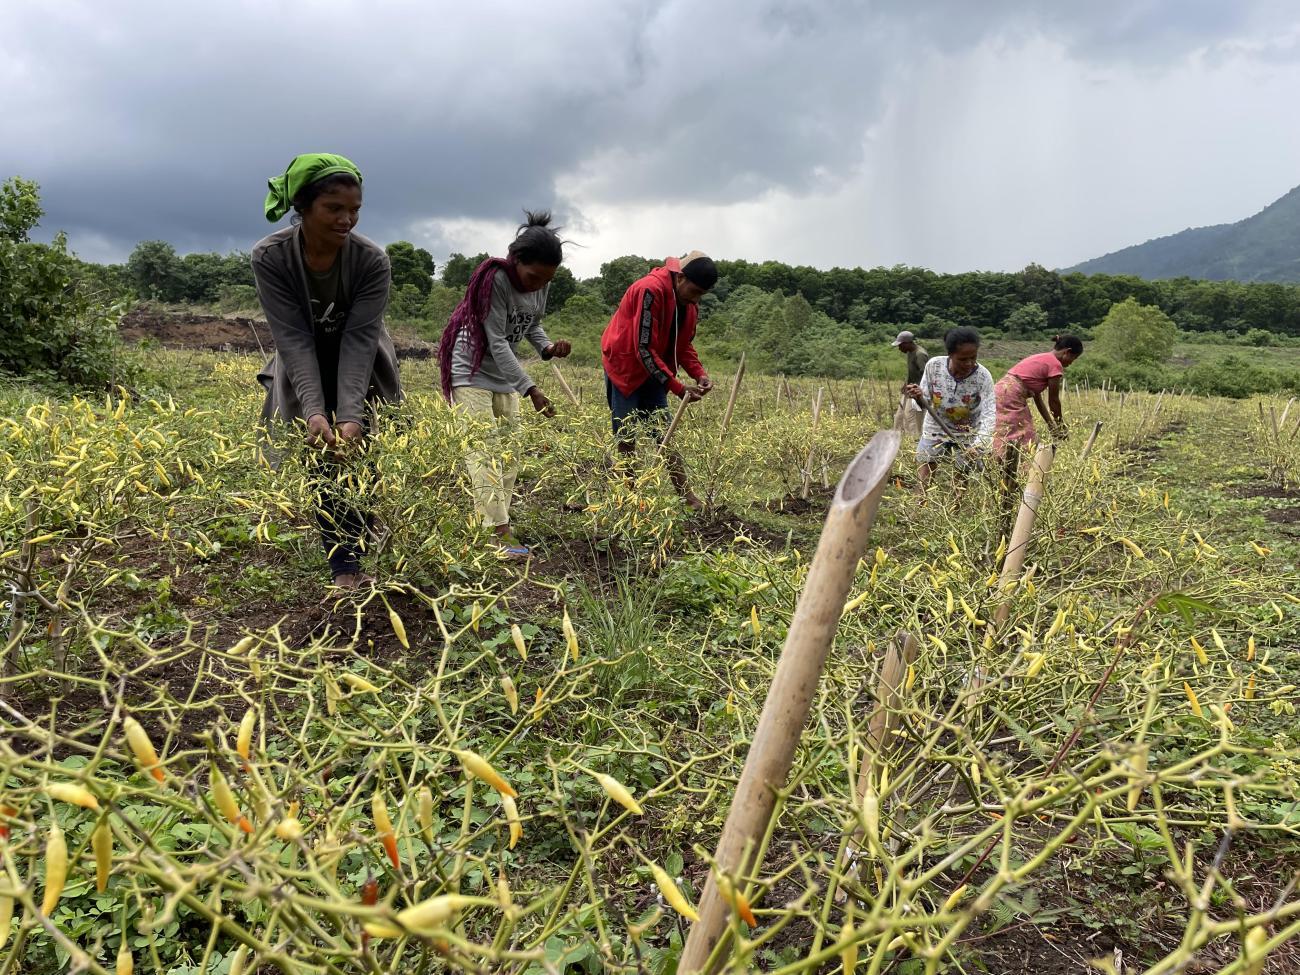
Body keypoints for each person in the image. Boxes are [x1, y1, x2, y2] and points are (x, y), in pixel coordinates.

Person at [253, 153, 401, 592]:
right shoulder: (271, 257)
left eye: (354, 209)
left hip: (362, 359)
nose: (347, 219)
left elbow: (359, 340)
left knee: (362, 452)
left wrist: (351, 414)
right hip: (303, 359)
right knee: (320, 456)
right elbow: (293, 337)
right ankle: (344, 568)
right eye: (334, 208)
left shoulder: (372, 261)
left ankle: (363, 531)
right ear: (304, 208)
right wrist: (316, 410)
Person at [437, 211, 572, 558]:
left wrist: (547, 347)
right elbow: (496, 340)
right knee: (483, 451)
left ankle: (496, 524)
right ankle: (498, 532)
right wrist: (531, 389)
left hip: (504, 376)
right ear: (516, 261)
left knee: (509, 455)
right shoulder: (494, 278)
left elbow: (530, 324)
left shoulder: (542, 285)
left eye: (546, 280)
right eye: (533, 276)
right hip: (470, 371)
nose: (537, 285)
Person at [600, 252, 716, 510]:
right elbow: (642, 348)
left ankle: (686, 496)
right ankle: (630, 497)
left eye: (701, 295)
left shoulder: (689, 304)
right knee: (627, 434)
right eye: (694, 291)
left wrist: (699, 374)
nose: (696, 299)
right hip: (626, 365)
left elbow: (683, 345)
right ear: (681, 277)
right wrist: (676, 386)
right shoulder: (649, 290)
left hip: (656, 368)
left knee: (665, 432)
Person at [903, 327, 995, 492]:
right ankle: (917, 511)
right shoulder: (934, 366)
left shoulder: (983, 376)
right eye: (962, 359)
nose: (969, 364)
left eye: (973, 358)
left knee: (961, 477)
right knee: (925, 472)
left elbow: (989, 413)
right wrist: (918, 396)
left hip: (967, 431)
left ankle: (954, 513)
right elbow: (924, 402)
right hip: (936, 427)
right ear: (950, 354)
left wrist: (979, 445)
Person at [993, 335, 1084, 468]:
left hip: (1001, 391)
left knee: (1004, 431)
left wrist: (1051, 424)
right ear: (1067, 352)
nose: (1071, 363)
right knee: (1024, 435)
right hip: (1011, 395)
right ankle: (1021, 472)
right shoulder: (1055, 364)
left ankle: (999, 465)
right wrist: (1060, 425)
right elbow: (1053, 400)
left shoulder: (1042, 357)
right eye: (1073, 358)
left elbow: (1038, 398)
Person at [891, 330, 929, 436]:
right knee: (899, 416)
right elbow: (912, 372)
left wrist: (919, 393)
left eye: (901, 345)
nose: (899, 348)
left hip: (916, 391)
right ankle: (896, 438)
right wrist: (905, 384)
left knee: (910, 417)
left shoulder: (920, 354)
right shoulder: (910, 352)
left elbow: (926, 376)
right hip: (909, 388)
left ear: (908, 343)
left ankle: (913, 440)